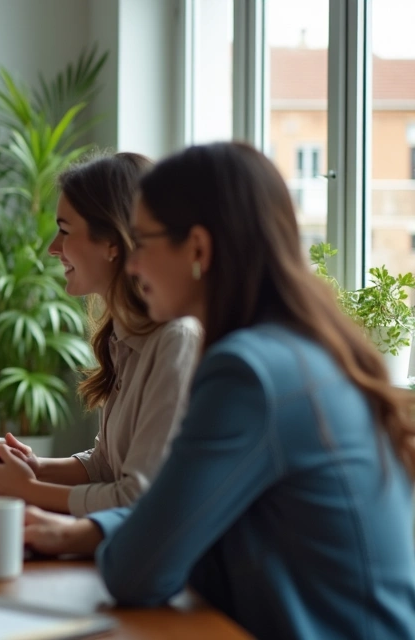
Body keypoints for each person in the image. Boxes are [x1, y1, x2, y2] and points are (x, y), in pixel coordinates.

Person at [21, 142, 415, 639]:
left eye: (142, 242)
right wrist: (81, 532)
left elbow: (136, 573)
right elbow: (185, 510)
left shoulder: (247, 373)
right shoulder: (299, 348)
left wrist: (82, 531)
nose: (133, 264)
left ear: (198, 250)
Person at [0, 153, 201, 515]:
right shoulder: (122, 338)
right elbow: (106, 466)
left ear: (111, 241)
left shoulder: (176, 339)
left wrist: (26, 489)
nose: (53, 248)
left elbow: (138, 497)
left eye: (64, 229)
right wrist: (33, 468)